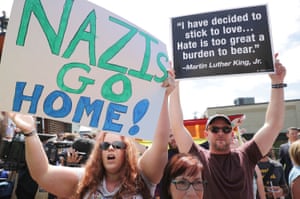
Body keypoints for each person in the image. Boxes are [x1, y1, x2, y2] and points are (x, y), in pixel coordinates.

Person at [7, 73, 175, 198]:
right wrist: (30, 132)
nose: (110, 148)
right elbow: (42, 173)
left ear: (127, 151)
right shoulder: (84, 180)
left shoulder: (143, 177)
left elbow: (160, 146)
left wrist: (164, 96)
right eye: (104, 145)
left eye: (117, 145)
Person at [169, 54, 286, 199]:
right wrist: (175, 85)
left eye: (226, 129)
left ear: (232, 134)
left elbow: (273, 125)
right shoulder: (198, 156)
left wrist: (277, 82)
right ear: (206, 134)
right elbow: (177, 126)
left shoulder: (246, 155)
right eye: (214, 129)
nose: (220, 132)